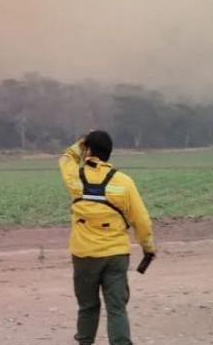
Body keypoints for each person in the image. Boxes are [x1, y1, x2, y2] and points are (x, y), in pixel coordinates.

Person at [58, 130, 156, 345]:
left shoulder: (75, 178)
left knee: (87, 306)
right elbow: (142, 221)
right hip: (116, 255)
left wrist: (81, 142)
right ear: (109, 153)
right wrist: (148, 247)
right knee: (117, 308)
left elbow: (66, 158)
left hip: (84, 255)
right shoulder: (124, 182)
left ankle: (85, 341)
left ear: (88, 151)